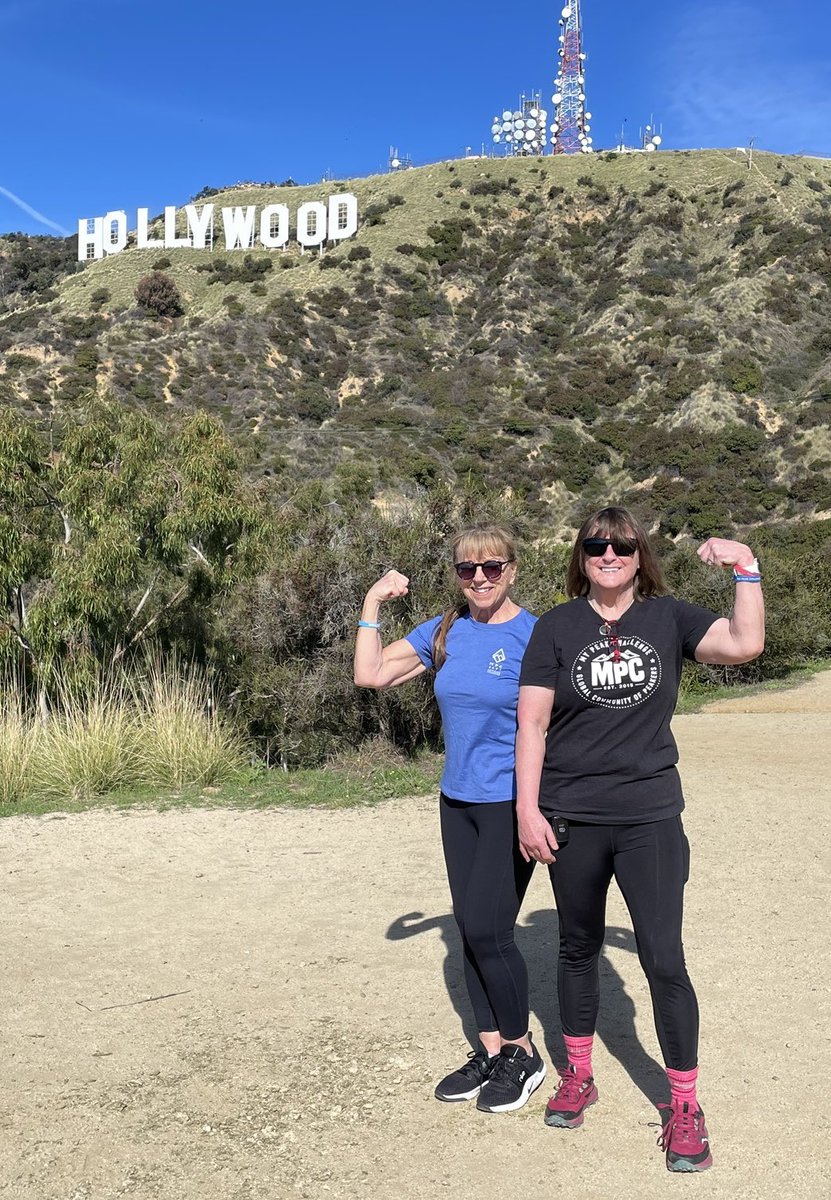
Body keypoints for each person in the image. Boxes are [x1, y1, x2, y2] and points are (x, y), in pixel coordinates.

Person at [516, 507, 764, 1172]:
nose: (609, 554)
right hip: (571, 814)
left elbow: (744, 643)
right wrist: (526, 811)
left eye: (622, 545)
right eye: (596, 545)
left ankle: (683, 1104)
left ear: (638, 554)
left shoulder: (668, 617)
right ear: (581, 555)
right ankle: (578, 1074)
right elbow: (532, 725)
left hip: (649, 816)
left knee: (662, 958)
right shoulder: (556, 625)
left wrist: (746, 568)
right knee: (576, 947)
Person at [354, 524, 547, 1114]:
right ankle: (490, 1050)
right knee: (468, 927)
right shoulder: (445, 631)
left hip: (508, 802)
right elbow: (370, 674)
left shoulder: (535, 634)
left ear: (512, 569)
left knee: (489, 929)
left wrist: (543, 807)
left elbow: (559, 722)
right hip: (457, 800)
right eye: (467, 569)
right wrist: (372, 603)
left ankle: (523, 1052)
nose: (480, 578)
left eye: (492, 567)